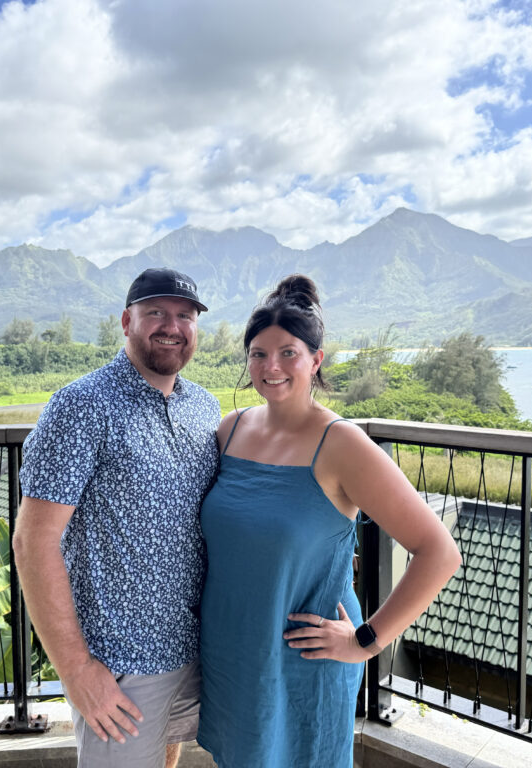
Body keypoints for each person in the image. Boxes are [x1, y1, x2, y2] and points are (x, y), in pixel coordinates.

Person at [196, 274, 462, 768]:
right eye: (258, 353)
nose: (270, 366)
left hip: (304, 665)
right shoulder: (230, 432)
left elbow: (439, 552)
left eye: (287, 353)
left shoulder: (342, 445)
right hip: (234, 656)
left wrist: (366, 641)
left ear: (316, 359)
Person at [14, 267, 221, 768]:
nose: (172, 326)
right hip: (121, 669)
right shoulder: (81, 406)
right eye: (156, 312)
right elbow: (32, 543)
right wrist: (77, 669)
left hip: (199, 650)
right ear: (127, 320)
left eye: (185, 316)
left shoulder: (204, 408)